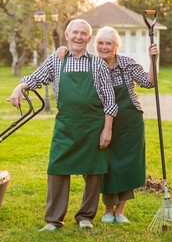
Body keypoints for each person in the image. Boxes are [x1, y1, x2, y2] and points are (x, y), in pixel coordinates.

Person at [8, 19, 118, 231]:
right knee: (57, 169)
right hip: (66, 125)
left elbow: (109, 101)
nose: (78, 37)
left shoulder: (97, 64)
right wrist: (19, 87)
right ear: (67, 35)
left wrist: (107, 129)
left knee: (93, 172)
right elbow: (36, 78)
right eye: (74, 32)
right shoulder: (57, 60)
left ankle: (86, 217)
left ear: (89, 38)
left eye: (83, 34)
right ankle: (53, 220)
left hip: (93, 125)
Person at [56, 26, 159, 223]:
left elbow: (149, 83)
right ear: (95, 45)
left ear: (116, 46)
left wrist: (154, 59)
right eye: (101, 43)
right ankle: (107, 209)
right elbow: (71, 56)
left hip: (129, 121)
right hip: (101, 122)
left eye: (108, 43)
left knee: (128, 165)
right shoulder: (91, 63)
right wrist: (63, 49)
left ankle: (120, 210)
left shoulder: (127, 64)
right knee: (106, 164)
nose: (104, 47)